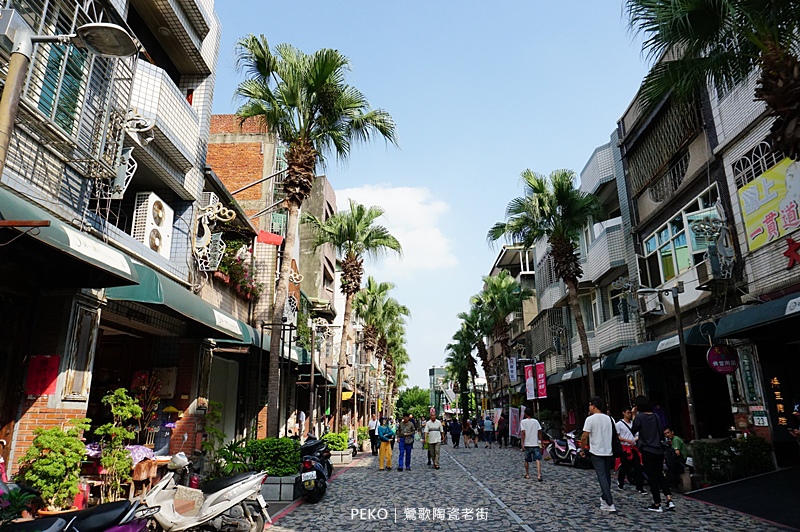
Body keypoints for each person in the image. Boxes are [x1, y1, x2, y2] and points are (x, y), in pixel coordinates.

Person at [631, 395, 675, 512]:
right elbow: (661, 432)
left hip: (647, 450)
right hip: (658, 450)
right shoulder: (656, 416)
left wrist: (634, 415)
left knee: (652, 477)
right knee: (660, 474)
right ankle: (669, 499)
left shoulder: (640, 417)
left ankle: (657, 503)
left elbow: (633, 430)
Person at [580, 396, 617, 512]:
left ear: (593, 406)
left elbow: (584, 436)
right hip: (608, 451)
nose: (589, 407)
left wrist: (582, 449)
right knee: (606, 476)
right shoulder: (610, 419)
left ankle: (610, 502)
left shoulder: (590, 419)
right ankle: (605, 498)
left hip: (597, 451)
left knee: (602, 476)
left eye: (590, 405)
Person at [616, 406, 646, 493]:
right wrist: (627, 440)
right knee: (624, 466)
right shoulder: (619, 424)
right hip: (624, 448)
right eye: (628, 412)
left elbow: (638, 434)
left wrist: (633, 440)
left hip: (633, 447)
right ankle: (621, 482)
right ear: (623, 413)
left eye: (630, 413)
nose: (629, 414)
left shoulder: (633, 423)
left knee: (638, 466)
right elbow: (617, 437)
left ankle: (640, 486)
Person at [519, 408, 543, 481]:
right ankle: (539, 475)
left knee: (526, 460)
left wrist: (522, 443)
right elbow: (539, 432)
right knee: (538, 459)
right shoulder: (536, 421)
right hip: (535, 443)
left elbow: (523, 433)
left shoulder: (523, 422)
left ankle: (527, 474)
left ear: (525, 414)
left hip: (527, 443)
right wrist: (541, 441)